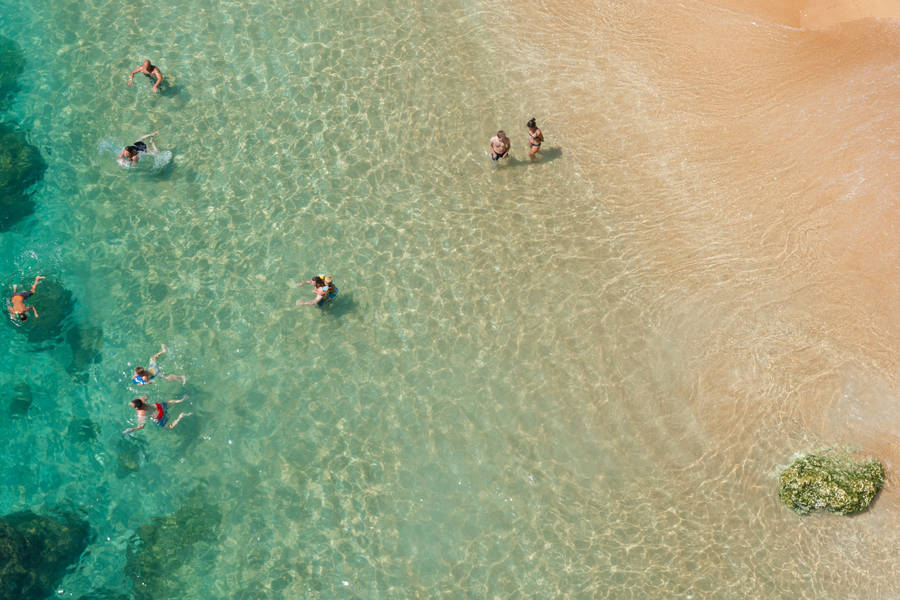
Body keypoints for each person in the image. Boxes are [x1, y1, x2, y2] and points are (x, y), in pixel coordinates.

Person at [122, 395, 191, 434]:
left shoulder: (141, 413)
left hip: (159, 416)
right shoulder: (141, 400)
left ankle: (181, 416)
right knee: (169, 403)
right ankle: (181, 400)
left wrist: (133, 429)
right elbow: (146, 396)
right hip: (159, 406)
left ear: (137, 408)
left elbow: (142, 426)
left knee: (170, 427)